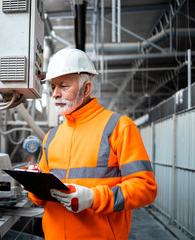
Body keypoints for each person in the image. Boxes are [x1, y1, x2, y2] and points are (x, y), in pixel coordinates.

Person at [28, 48, 157, 239]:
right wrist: (34, 187)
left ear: (86, 89)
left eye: (63, 86)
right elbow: (43, 197)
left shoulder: (119, 127)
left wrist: (94, 198)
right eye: (53, 87)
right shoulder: (52, 136)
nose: (55, 94)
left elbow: (145, 188)